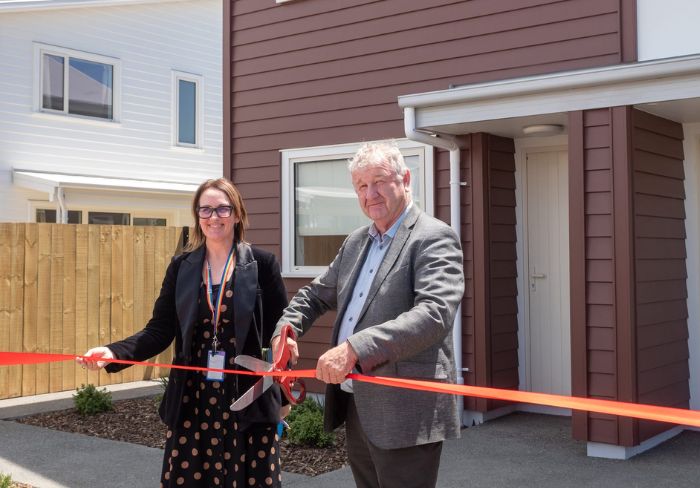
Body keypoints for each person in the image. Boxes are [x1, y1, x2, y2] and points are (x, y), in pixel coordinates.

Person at [272, 141, 465, 488]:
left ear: (405, 180)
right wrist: (286, 328)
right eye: (361, 185)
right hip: (357, 404)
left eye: (379, 181)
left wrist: (354, 348)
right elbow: (315, 294)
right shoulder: (356, 242)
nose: (370, 194)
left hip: (406, 411)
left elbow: (434, 314)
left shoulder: (434, 237)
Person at [77, 178, 289, 488]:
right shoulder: (181, 267)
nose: (213, 217)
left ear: (237, 214)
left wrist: (283, 393)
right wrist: (113, 352)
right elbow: (159, 331)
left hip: (246, 399)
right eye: (205, 210)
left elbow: (282, 334)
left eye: (222, 209)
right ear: (197, 216)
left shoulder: (262, 265)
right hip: (193, 400)